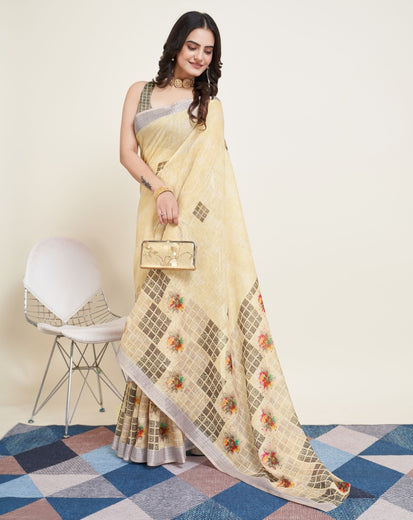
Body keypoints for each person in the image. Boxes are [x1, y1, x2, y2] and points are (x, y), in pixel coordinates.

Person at [113, 11, 350, 512]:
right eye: (193, 46)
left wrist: (181, 207)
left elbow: (213, 178)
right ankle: (151, 437)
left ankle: (191, 431)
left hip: (193, 232)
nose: (200, 56)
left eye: (209, 50)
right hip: (153, 219)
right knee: (154, 320)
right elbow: (127, 152)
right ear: (176, 45)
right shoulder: (140, 92)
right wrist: (160, 188)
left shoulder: (210, 106)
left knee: (183, 321)